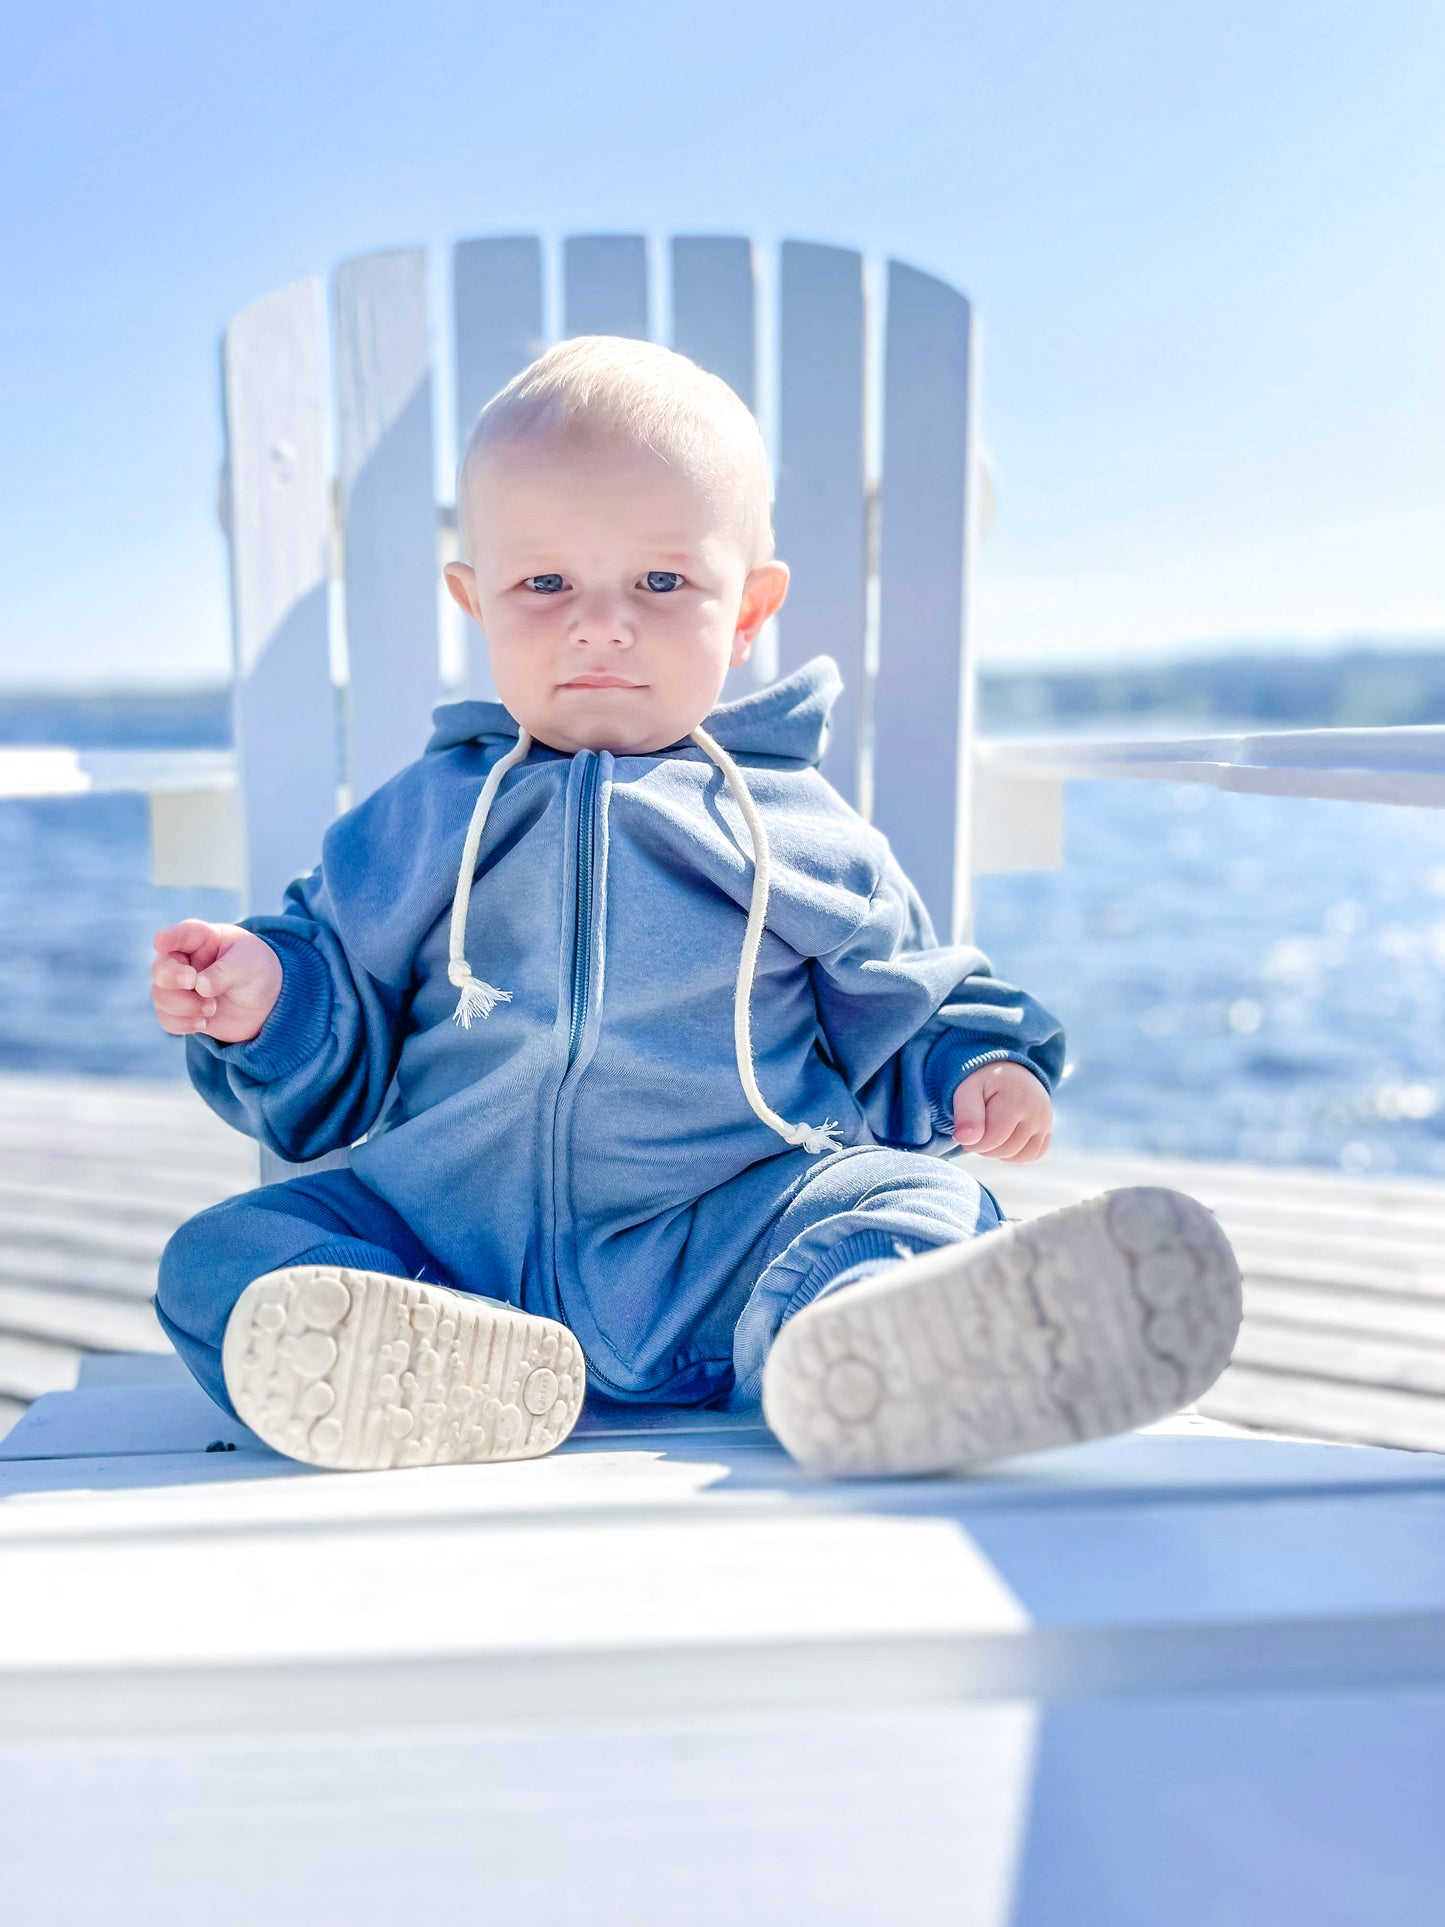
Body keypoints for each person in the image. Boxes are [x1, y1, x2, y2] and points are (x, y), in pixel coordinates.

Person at [150, 335, 1241, 1478]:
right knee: (224, 1257)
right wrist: (268, 996)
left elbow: (906, 997)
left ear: (748, 607)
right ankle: (435, 1369)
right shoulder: (426, 817)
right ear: (475, 601)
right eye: (545, 583)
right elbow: (340, 1015)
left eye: (661, 582)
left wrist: (974, 1064)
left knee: (917, 1204)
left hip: (733, 1237)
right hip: (445, 1248)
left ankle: (853, 1346)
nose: (602, 622)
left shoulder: (795, 824)